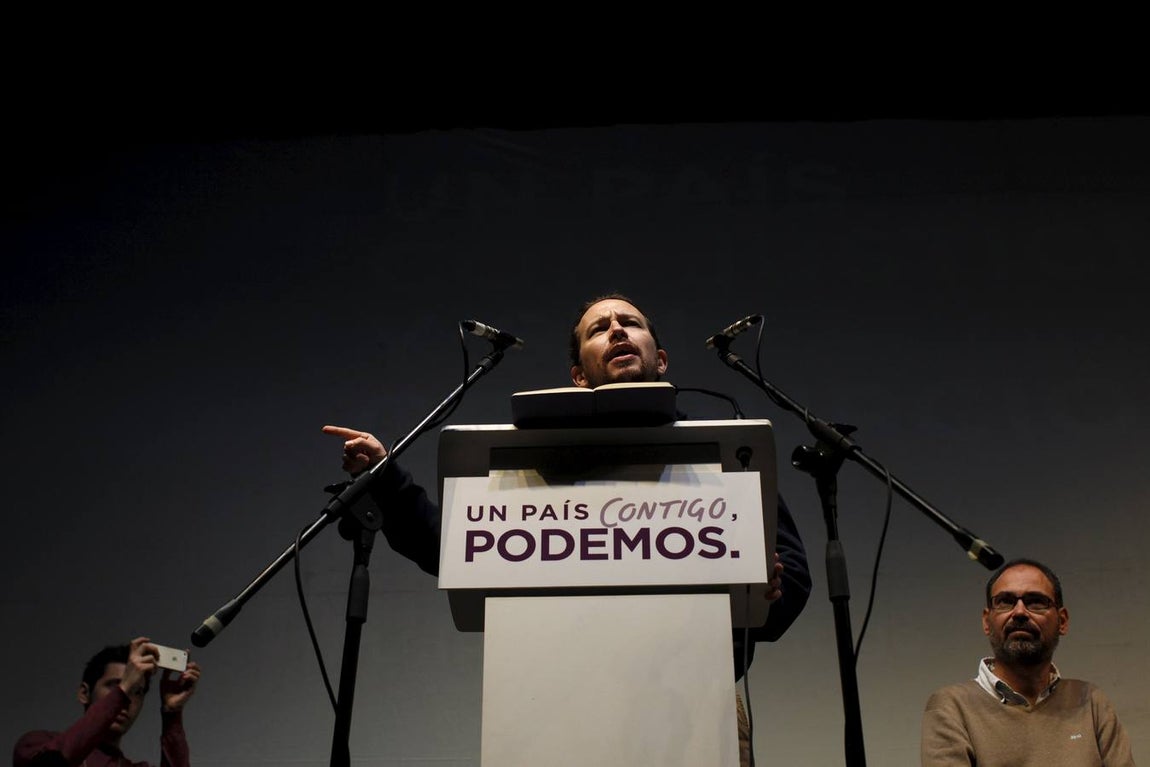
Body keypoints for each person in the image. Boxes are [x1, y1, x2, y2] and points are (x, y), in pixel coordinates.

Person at [323, 294, 812, 765]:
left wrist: (763, 594)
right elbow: (453, 545)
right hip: (556, 705)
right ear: (579, 375)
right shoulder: (537, 461)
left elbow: (787, 572)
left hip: (697, 702)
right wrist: (388, 480)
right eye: (600, 329)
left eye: (630, 323)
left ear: (660, 360)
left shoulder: (721, 452)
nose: (618, 329)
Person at [921, 558, 1136, 766]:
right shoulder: (952, 707)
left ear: (1062, 621)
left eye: (1035, 601)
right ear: (987, 621)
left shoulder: (1090, 702)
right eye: (1005, 601)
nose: (1020, 612)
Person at [14, 636, 201, 767]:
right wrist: (123, 690)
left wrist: (171, 714)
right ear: (84, 693)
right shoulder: (35, 744)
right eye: (114, 685)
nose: (128, 699)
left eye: (137, 692)